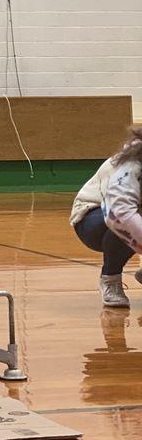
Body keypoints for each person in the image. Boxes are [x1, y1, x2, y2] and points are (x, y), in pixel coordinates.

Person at [70, 126, 142, 307]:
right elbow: (118, 213)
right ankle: (110, 279)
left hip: (130, 213)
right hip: (93, 217)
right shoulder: (131, 165)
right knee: (124, 223)